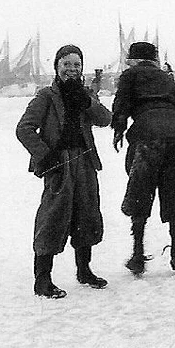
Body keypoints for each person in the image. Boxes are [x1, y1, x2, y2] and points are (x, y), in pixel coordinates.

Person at [16, 44, 112, 299]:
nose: (72, 69)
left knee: (87, 215)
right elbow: (24, 129)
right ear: (57, 67)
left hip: (85, 162)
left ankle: (84, 271)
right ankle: (42, 280)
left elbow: (105, 119)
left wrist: (88, 102)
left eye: (76, 65)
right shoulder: (46, 96)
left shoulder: (85, 94)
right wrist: (45, 157)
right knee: (52, 219)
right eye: (66, 64)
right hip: (59, 165)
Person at [112, 42, 175, 276]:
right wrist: (172, 127)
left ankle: (138, 254)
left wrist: (119, 130)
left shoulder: (129, 75)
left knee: (141, 191)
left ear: (132, 60)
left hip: (147, 136)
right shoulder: (166, 77)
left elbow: (121, 107)